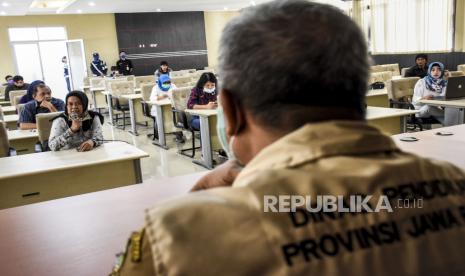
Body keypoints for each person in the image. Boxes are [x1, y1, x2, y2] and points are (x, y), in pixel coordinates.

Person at [114, 1, 465, 275]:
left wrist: (196, 208)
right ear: (361, 92)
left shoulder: (177, 240)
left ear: (230, 111)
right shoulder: (454, 184)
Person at [149, 74, 184, 142]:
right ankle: (159, 136)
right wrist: (161, 97)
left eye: (168, 82)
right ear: (160, 82)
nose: (167, 84)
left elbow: (177, 94)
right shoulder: (155, 88)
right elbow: (152, 99)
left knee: (177, 119)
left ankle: (179, 136)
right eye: (165, 83)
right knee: (158, 119)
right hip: (159, 108)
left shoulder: (173, 86)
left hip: (172, 107)